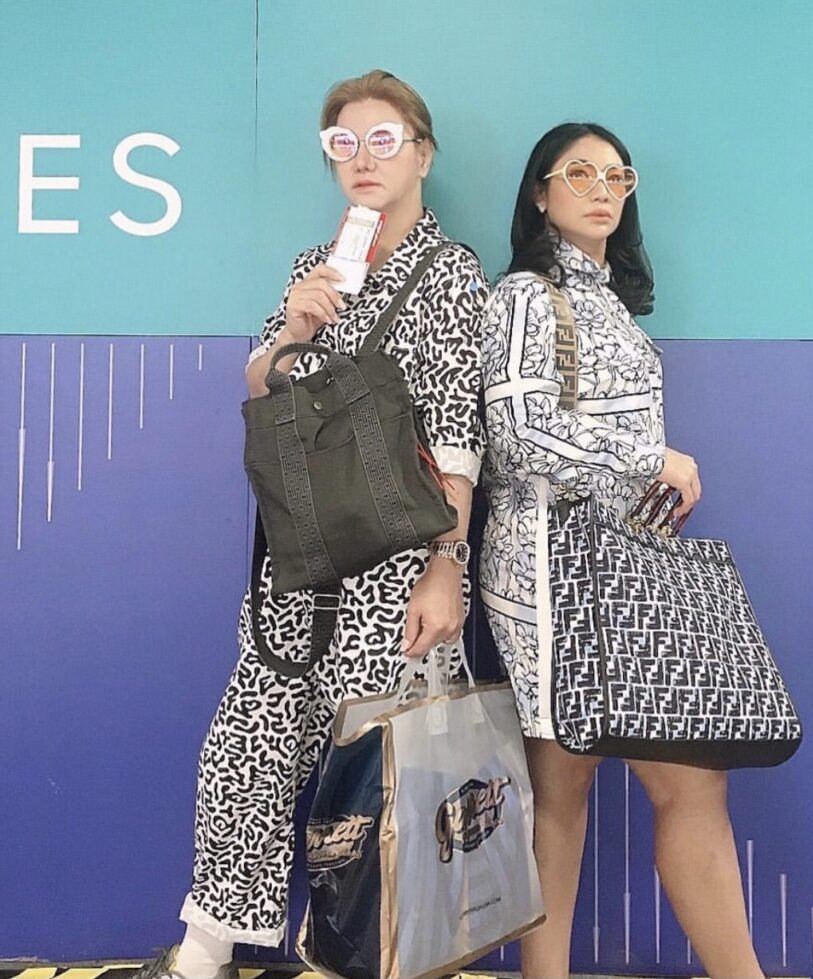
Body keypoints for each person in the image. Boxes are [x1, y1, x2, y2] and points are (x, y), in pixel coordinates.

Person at [137, 70, 486, 979]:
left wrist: (447, 564)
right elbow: (263, 388)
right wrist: (291, 327)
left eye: (384, 140)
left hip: (400, 560)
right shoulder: (318, 263)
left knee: (376, 771)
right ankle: (205, 948)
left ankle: (359, 955)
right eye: (344, 143)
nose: (363, 159)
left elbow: (457, 430)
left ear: (422, 154)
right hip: (300, 555)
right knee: (247, 744)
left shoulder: (451, 274)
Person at [479, 122, 764, 979]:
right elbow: (517, 434)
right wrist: (650, 458)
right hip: (550, 570)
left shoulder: (612, 302)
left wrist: (647, 478)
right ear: (540, 193)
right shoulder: (526, 294)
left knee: (677, 782)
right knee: (568, 788)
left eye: (617, 176)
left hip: (629, 571)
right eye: (579, 174)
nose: (602, 189)